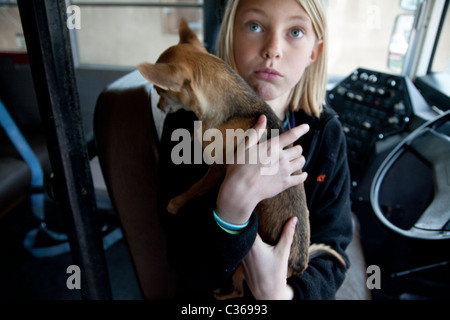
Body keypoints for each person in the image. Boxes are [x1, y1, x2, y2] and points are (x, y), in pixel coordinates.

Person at [157, 0, 353, 300]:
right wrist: (231, 211)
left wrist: (279, 293)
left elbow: (332, 251)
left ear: (315, 51)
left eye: (296, 32)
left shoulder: (326, 135)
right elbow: (185, 262)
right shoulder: (185, 125)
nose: (272, 49)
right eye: (255, 26)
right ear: (229, 36)